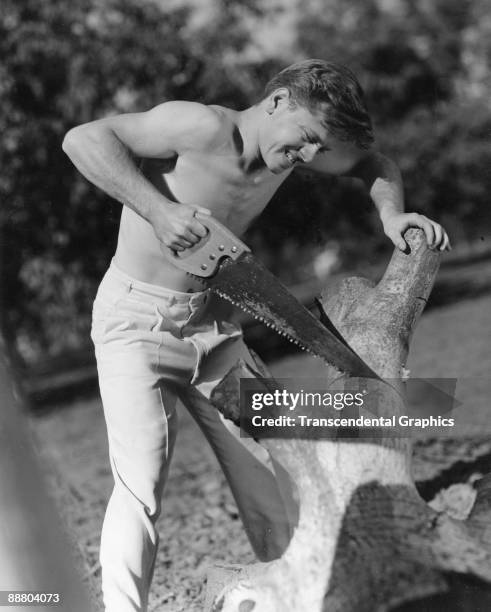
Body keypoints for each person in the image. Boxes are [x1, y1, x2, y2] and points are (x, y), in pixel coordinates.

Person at [62, 59, 450, 612]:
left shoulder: (291, 146)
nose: (311, 158)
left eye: (321, 148)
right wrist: (158, 209)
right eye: (308, 139)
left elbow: (375, 162)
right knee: (141, 485)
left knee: (269, 474)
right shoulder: (200, 127)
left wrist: (393, 216)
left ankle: (294, 597)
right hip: (135, 323)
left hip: (215, 327)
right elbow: (83, 140)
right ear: (277, 103)